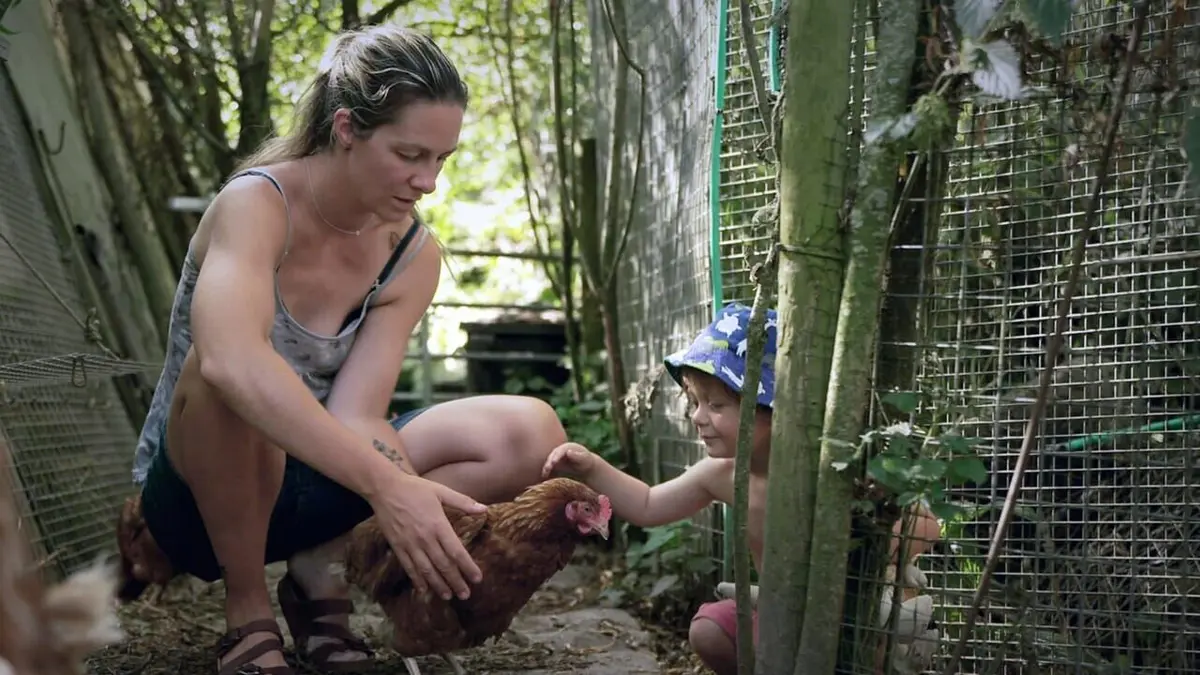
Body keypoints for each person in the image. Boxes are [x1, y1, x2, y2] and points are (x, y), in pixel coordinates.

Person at [127, 24, 568, 675]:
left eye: (442, 159)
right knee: (236, 378)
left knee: (530, 432)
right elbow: (228, 362)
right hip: (194, 500)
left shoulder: (412, 254)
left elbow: (358, 414)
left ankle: (316, 577)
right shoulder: (257, 204)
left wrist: (405, 497)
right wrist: (390, 486)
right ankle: (247, 613)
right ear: (345, 128)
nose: (429, 182)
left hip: (314, 482)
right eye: (410, 154)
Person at [542, 302, 942, 675]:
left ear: (772, 407)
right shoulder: (722, 474)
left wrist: (855, 551)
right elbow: (647, 504)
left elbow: (927, 527)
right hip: (778, 618)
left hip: (852, 618)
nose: (698, 417)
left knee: (847, 650)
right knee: (709, 630)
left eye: (716, 406)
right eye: (694, 402)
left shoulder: (831, 473)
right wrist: (591, 468)